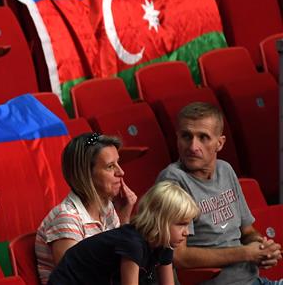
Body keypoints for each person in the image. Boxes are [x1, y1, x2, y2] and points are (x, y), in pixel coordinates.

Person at [157, 102, 283, 285]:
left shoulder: (225, 170)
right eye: (186, 136)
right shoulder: (173, 181)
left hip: (253, 280)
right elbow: (178, 256)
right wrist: (245, 253)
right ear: (177, 138)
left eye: (203, 137)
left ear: (220, 143)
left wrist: (261, 246)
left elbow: (247, 231)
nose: (193, 146)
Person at [48, 180, 199, 285]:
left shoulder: (165, 244)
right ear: (159, 221)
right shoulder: (133, 243)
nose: (187, 232)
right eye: (181, 224)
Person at [35, 132, 138, 284]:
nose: (121, 172)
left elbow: (119, 262)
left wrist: (124, 218)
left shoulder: (108, 208)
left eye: (118, 163)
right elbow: (76, 279)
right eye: (110, 166)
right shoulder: (66, 218)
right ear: (86, 174)